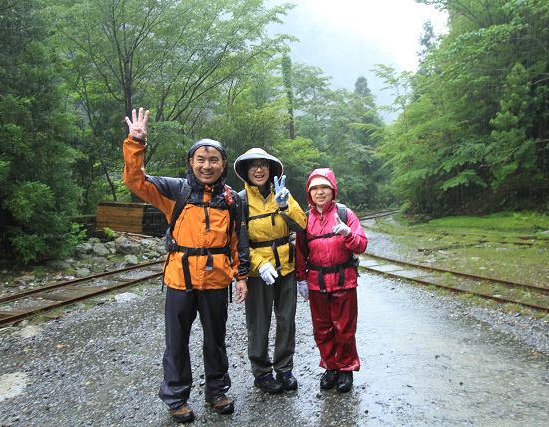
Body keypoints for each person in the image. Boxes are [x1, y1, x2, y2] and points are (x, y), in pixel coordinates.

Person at [123, 108, 249, 423]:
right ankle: (177, 397)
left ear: (223, 164)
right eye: (200, 160)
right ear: (191, 162)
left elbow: (236, 241)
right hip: (180, 279)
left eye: (214, 160)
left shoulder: (232, 200)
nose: (207, 166)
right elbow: (135, 180)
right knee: (176, 341)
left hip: (217, 280)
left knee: (216, 339)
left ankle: (217, 391)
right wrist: (136, 142)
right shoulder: (175, 190)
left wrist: (242, 276)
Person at [233, 148, 307, 393]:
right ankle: (262, 373)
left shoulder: (282, 193)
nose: (258, 170)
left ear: (271, 170)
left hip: (286, 267)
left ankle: (284, 369)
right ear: (245, 171)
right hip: (258, 273)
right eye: (253, 166)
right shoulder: (240, 200)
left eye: (263, 165)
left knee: (286, 319)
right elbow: (237, 241)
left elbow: (302, 225)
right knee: (258, 322)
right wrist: (258, 263)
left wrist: (284, 206)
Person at [295, 168, 367, 393]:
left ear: (333, 189)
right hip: (316, 283)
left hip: (343, 281)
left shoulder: (346, 214)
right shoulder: (304, 219)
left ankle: (346, 369)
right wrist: (300, 280)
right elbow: (299, 252)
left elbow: (362, 245)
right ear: (309, 193)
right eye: (314, 188)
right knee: (322, 329)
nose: (320, 192)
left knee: (344, 328)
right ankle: (330, 367)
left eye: (324, 187)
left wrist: (348, 234)